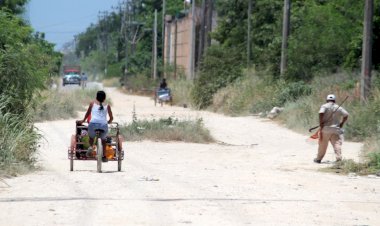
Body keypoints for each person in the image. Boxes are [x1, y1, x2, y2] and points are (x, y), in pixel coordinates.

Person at [79, 90, 113, 162]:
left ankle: (91, 147)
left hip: (93, 124)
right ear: (104, 98)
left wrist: (83, 120)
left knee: (91, 137)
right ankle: (104, 155)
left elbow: (87, 114)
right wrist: (108, 122)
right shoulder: (108, 105)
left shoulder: (92, 104)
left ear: (96, 97)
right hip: (103, 125)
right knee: (103, 140)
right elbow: (111, 118)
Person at [314, 94, 349, 163]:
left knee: (323, 144)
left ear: (327, 100)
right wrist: (341, 123)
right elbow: (346, 115)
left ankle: (318, 159)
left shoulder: (324, 106)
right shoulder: (338, 107)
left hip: (325, 129)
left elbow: (321, 113)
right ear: (334, 100)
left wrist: (321, 123)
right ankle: (339, 158)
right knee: (337, 144)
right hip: (336, 129)